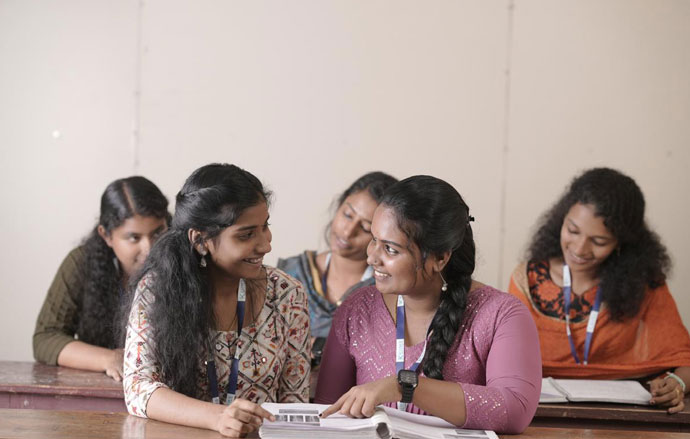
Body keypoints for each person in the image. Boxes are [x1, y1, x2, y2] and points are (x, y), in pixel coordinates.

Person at [315, 176, 541, 434]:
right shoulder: (356, 310)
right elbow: (327, 412)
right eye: (374, 240)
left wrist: (404, 387)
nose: (372, 258)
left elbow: (514, 410)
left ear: (440, 258)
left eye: (390, 249)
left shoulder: (502, 315)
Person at [123, 163, 310, 437]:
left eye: (265, 226)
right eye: (247, 234)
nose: (266, 245)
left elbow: (295, 403)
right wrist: (218, 417)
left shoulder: (287, 294)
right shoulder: (157, 291)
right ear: (200, 240)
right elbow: (138, 388)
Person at [508, 167, 690, 414]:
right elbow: (507, 359)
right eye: (572, 231)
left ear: (621, 242)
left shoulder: (645, 285)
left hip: (627, 418)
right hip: (539, 414)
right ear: (561, 219)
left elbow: (683, 360)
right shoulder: (527, 280)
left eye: (599, 241)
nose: (580, 249)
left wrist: (677, 384)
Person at [33, 176, 170, 381]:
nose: (149, 249)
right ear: (106, 235)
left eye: (158, 233)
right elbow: (46, 338)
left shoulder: (187, 260)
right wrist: (108, 359)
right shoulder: (81, 263)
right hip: (102, 388)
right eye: (134, 238)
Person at [277, 171, 397, 365]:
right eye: (347, 215)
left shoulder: (387, 290)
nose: (348, 232)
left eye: (365, 228)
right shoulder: (291, 274)